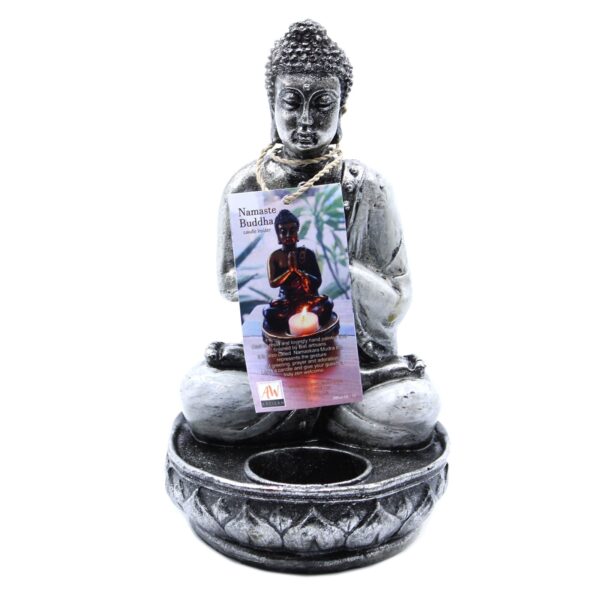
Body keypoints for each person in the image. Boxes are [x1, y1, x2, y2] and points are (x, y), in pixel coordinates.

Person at [181, 20, 439, 449]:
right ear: (271, 105)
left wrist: (335, 267)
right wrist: (273, 272)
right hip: (280, 355)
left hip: (358, 361)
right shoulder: (247, 185)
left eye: (322, 104)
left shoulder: (366, 187)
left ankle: (315, 413)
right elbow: (227, 284)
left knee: (414, 405)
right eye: (291, 102)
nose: (305, 120)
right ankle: (318, 416)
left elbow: (396, 302)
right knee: (203, 396)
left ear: (341, 110)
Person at [263, 209, 334, 333]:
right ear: (278, 235)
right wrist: (290, 271)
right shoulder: (275, 257)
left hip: (308, 298)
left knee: (326, 305)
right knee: (270, 313)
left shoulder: (307, 254)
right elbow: (273, 283)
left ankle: (300, 321)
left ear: (297, 232)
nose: (288, 235)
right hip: (286, 300)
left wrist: (302, 274)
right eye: (283, 232)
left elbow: (317, 281)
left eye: (292, 231)